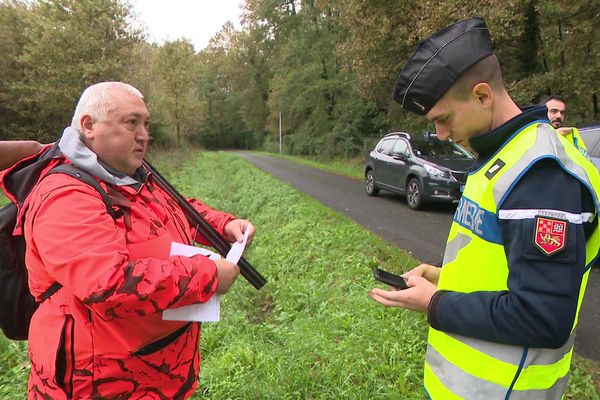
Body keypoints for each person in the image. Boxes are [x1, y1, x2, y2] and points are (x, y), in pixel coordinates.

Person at [369, 18, 600, 399]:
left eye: (443, 119)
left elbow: (543, 315)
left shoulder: (539, 174)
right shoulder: (502, 153)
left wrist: (434, 303)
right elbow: (509, 263)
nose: (441, 134)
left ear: (481, 95)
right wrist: (445, 276)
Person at [7, 81, 253, 399]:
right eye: (131, 122)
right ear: (89, 125)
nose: (144, 135)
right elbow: (107, 282)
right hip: (98, 383)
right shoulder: (65, 195)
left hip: (156, 374)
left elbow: (174, 208)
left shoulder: (128, 175)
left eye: (146, 124)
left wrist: (224, 224)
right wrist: (208, 276)